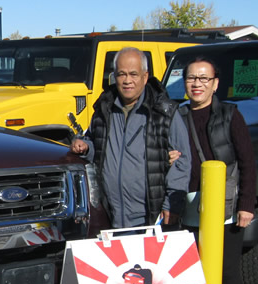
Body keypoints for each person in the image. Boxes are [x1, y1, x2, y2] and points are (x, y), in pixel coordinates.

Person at [178, 56, 256, 284]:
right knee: (190, 273)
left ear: (215, 84)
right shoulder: (177, 116)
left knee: (226, 273)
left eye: (203, 79)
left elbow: (248, 160)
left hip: (225, 207)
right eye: (191, 78)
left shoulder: (230, 115)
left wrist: (246, 203)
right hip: (187, 207)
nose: (197, 84)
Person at [71, 47, 191, 229]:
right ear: (114, 76)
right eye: (121, 74)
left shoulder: (164, 112)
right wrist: (85, 147)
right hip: (111, 216)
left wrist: (172, 203)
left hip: (153, 217)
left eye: (133, 74)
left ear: (145, 76)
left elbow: (182, 161)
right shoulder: (104, 109)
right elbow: (97, 144)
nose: (127, 80)